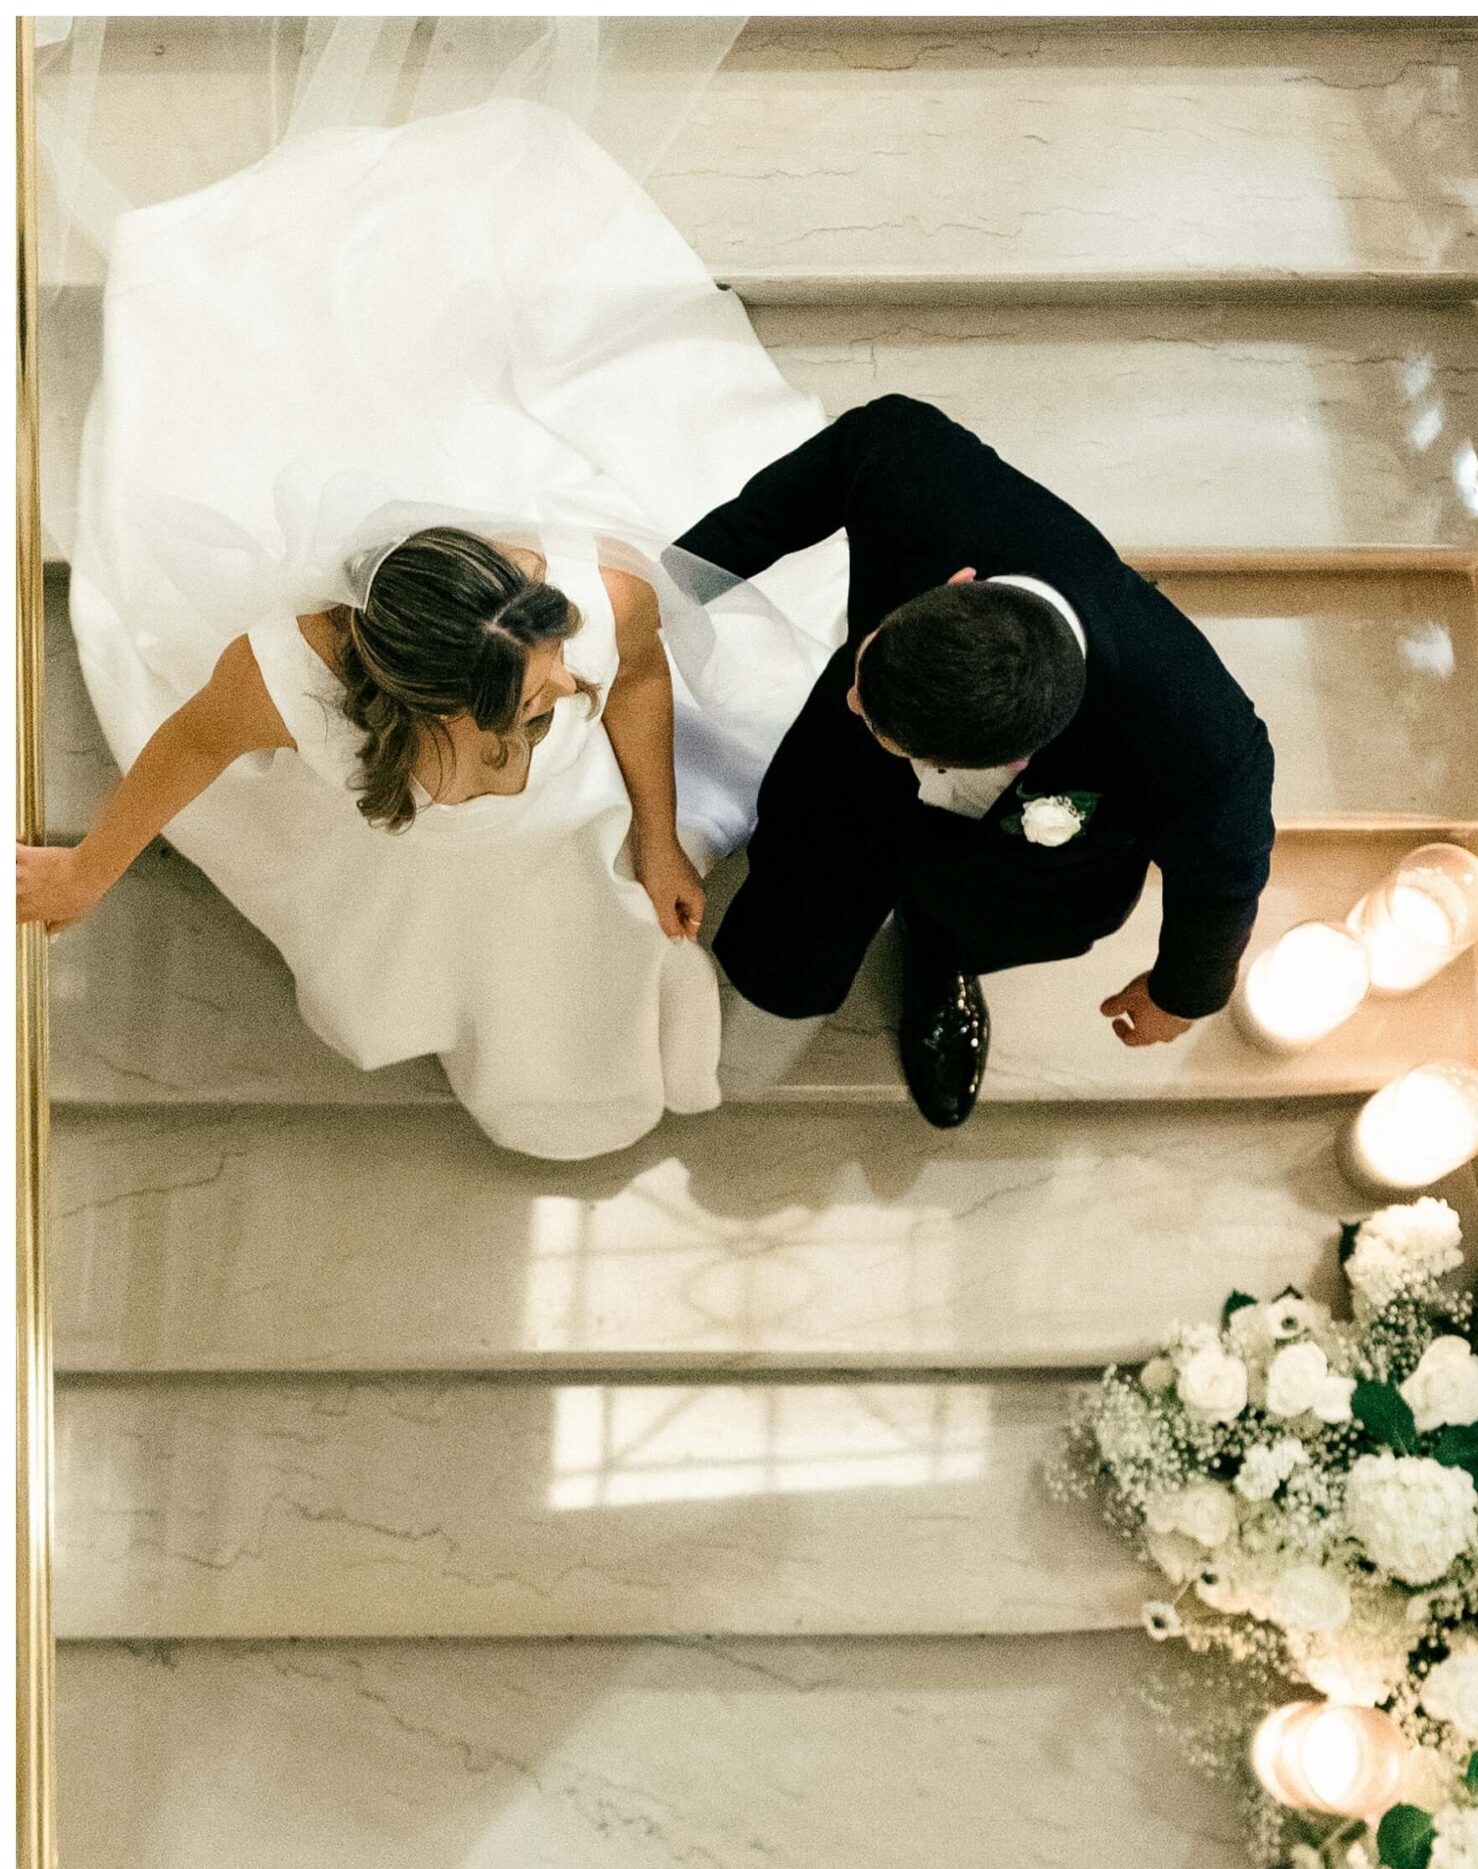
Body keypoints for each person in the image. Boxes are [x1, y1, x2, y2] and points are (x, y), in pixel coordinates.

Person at [17, 97, 845, 1160]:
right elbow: (189, 746)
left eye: (551, 692)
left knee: (586, 913)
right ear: (420, 698)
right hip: (408, 845)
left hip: (568, 830)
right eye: (532, 710)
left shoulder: (595, 600)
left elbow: (634, 681)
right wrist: (87, 871)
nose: (561, 704)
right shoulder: (284, 676)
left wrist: (652, 832)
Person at [677, 394, 1278, 1128]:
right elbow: (810, 480)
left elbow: (1224, 874)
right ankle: (779, 972)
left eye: (882, 724)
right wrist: (665, 595)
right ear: (955, 587)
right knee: (784, 947)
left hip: (1025, 873)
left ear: (1020, 753)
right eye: (866, 679)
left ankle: (938, 963)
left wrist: (1181, 992)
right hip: (843, 798)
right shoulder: (916, 473)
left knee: (975, 926)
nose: (852, 706)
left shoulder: (1201, 743)